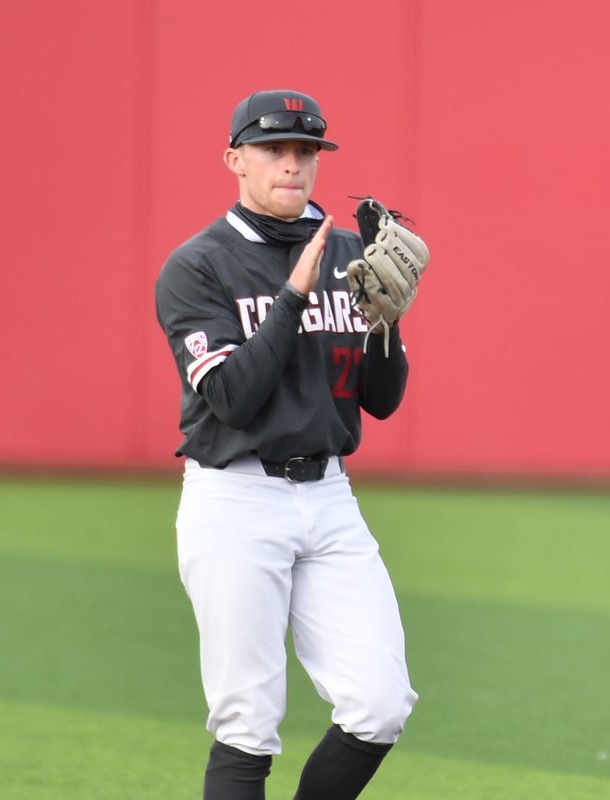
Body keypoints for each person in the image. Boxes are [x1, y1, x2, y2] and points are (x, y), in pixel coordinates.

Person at [154, 89, 422, 800]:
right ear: (235, 159)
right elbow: (233, 398)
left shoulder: (348, 250)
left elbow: (383, 400)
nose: (293, 163)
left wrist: (385, 325)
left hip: (330, 497)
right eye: (275, 149)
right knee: (248, 720)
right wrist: (295, 296)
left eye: (306, 151)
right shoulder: (198, 266)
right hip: (235, 498)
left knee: (381, 703)